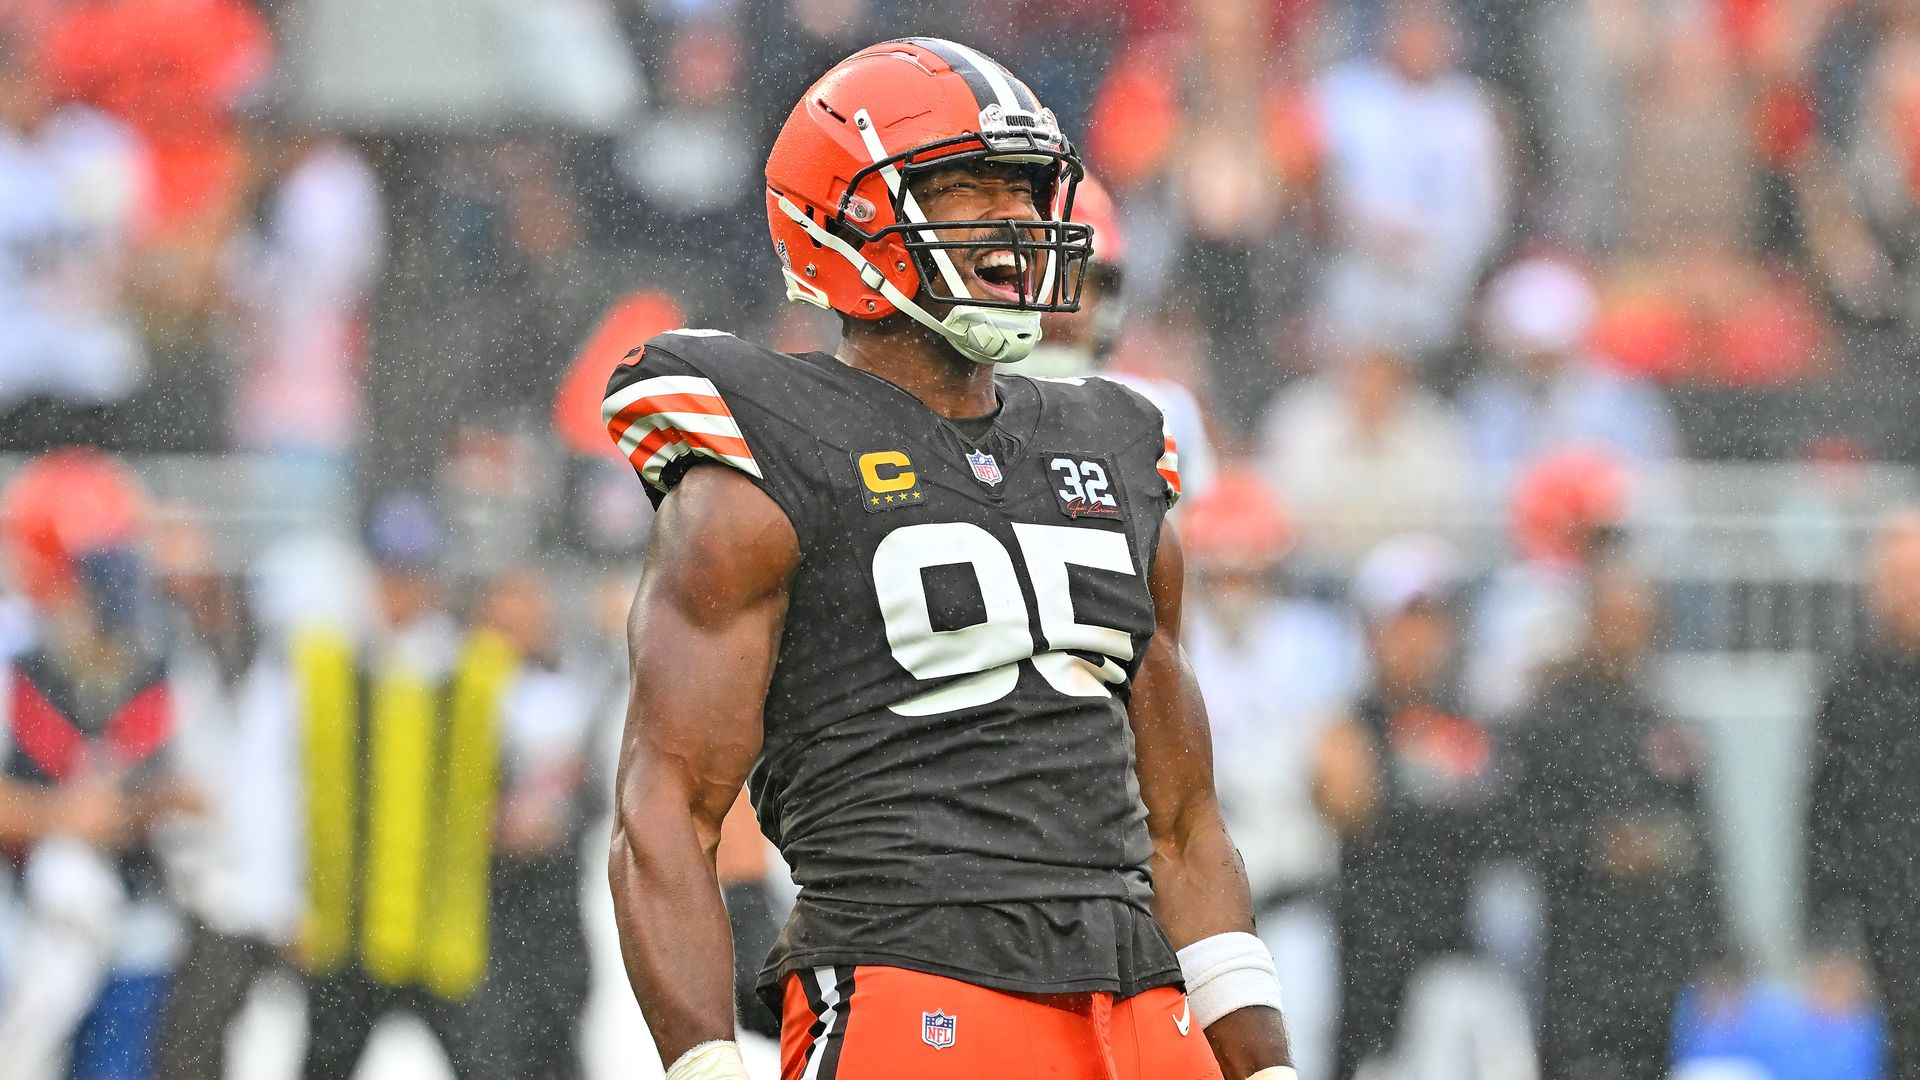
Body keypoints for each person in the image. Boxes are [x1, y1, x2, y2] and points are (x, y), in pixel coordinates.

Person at [603, 38, 1295, 1080]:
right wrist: (704, 1064)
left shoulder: (1112, 443)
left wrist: (1266, 1063)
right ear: (846, 218)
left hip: (1145, 1007)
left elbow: (1186, 826)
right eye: (970, 189)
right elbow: (666, 806)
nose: (1017, 224)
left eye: (1025, 192)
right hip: (914, 983)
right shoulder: (765, 449)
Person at [0, 450, 197, 1080]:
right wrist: (59, 815)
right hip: (30, 914)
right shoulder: (18, 653)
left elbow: (199, 790)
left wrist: (138, 804)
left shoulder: (158, 650)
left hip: (129, 903)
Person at [1515, 561, 1723, 1079]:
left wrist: (1721, 945)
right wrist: (1595, 847)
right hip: (1577, 955)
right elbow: (1521, 828)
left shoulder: (1667, 721)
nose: (1625, 631)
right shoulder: (1551, 721)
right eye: (1614, 617)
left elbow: (1705, 836)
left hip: (1655, 954)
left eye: (1637, 618)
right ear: (1590, 622)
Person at [1312, 535, 1507, 1080]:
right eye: (1402, 620)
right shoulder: (1350, 725)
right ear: (1371, 631)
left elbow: (1501, 828)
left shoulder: (1472, 721)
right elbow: (1350, 809)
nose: (1416, 639)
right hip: (1370, 961)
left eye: (1430, 620)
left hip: (1454, 956)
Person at [1006, 175, 1217, 502]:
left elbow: (1185, 543)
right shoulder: (942, 411)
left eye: (1079, 279)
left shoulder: (1157, 417)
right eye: (1039, 275)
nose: (1061, 305)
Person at [1806, 509, 1920, 1080]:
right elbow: (1822, 821)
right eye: (1895, 579)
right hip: (1886, 922)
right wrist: (1827, 938)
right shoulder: (1851, 693)